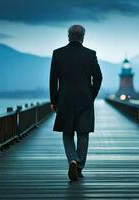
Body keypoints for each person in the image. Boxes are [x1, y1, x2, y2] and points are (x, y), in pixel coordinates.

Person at [49, 25, 102, 181]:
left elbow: (53, 80)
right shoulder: (90, 54)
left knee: (67, 133)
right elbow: (98, 77)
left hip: (64, 100)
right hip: (85, 100)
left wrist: (54, 100)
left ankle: (72, 159)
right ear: (83, 37)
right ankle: (79, 167)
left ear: (68, 36)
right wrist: (91, 95)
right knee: (83, 134)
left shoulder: (58, 54)